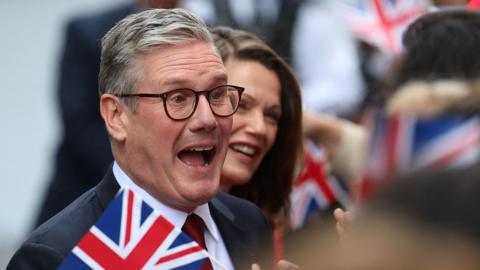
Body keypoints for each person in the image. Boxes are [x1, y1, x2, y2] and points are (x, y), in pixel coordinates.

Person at [7, 8, 273, 270]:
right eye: (178, 98)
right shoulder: (59, 257)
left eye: (217, 94)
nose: (208, 119)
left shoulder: (249, 223)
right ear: (116, 116)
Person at [211, 26, 304, 260]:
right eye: (241, 106)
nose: (260, 128)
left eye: (272, 116)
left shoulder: (265, 231)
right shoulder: (130, 225)